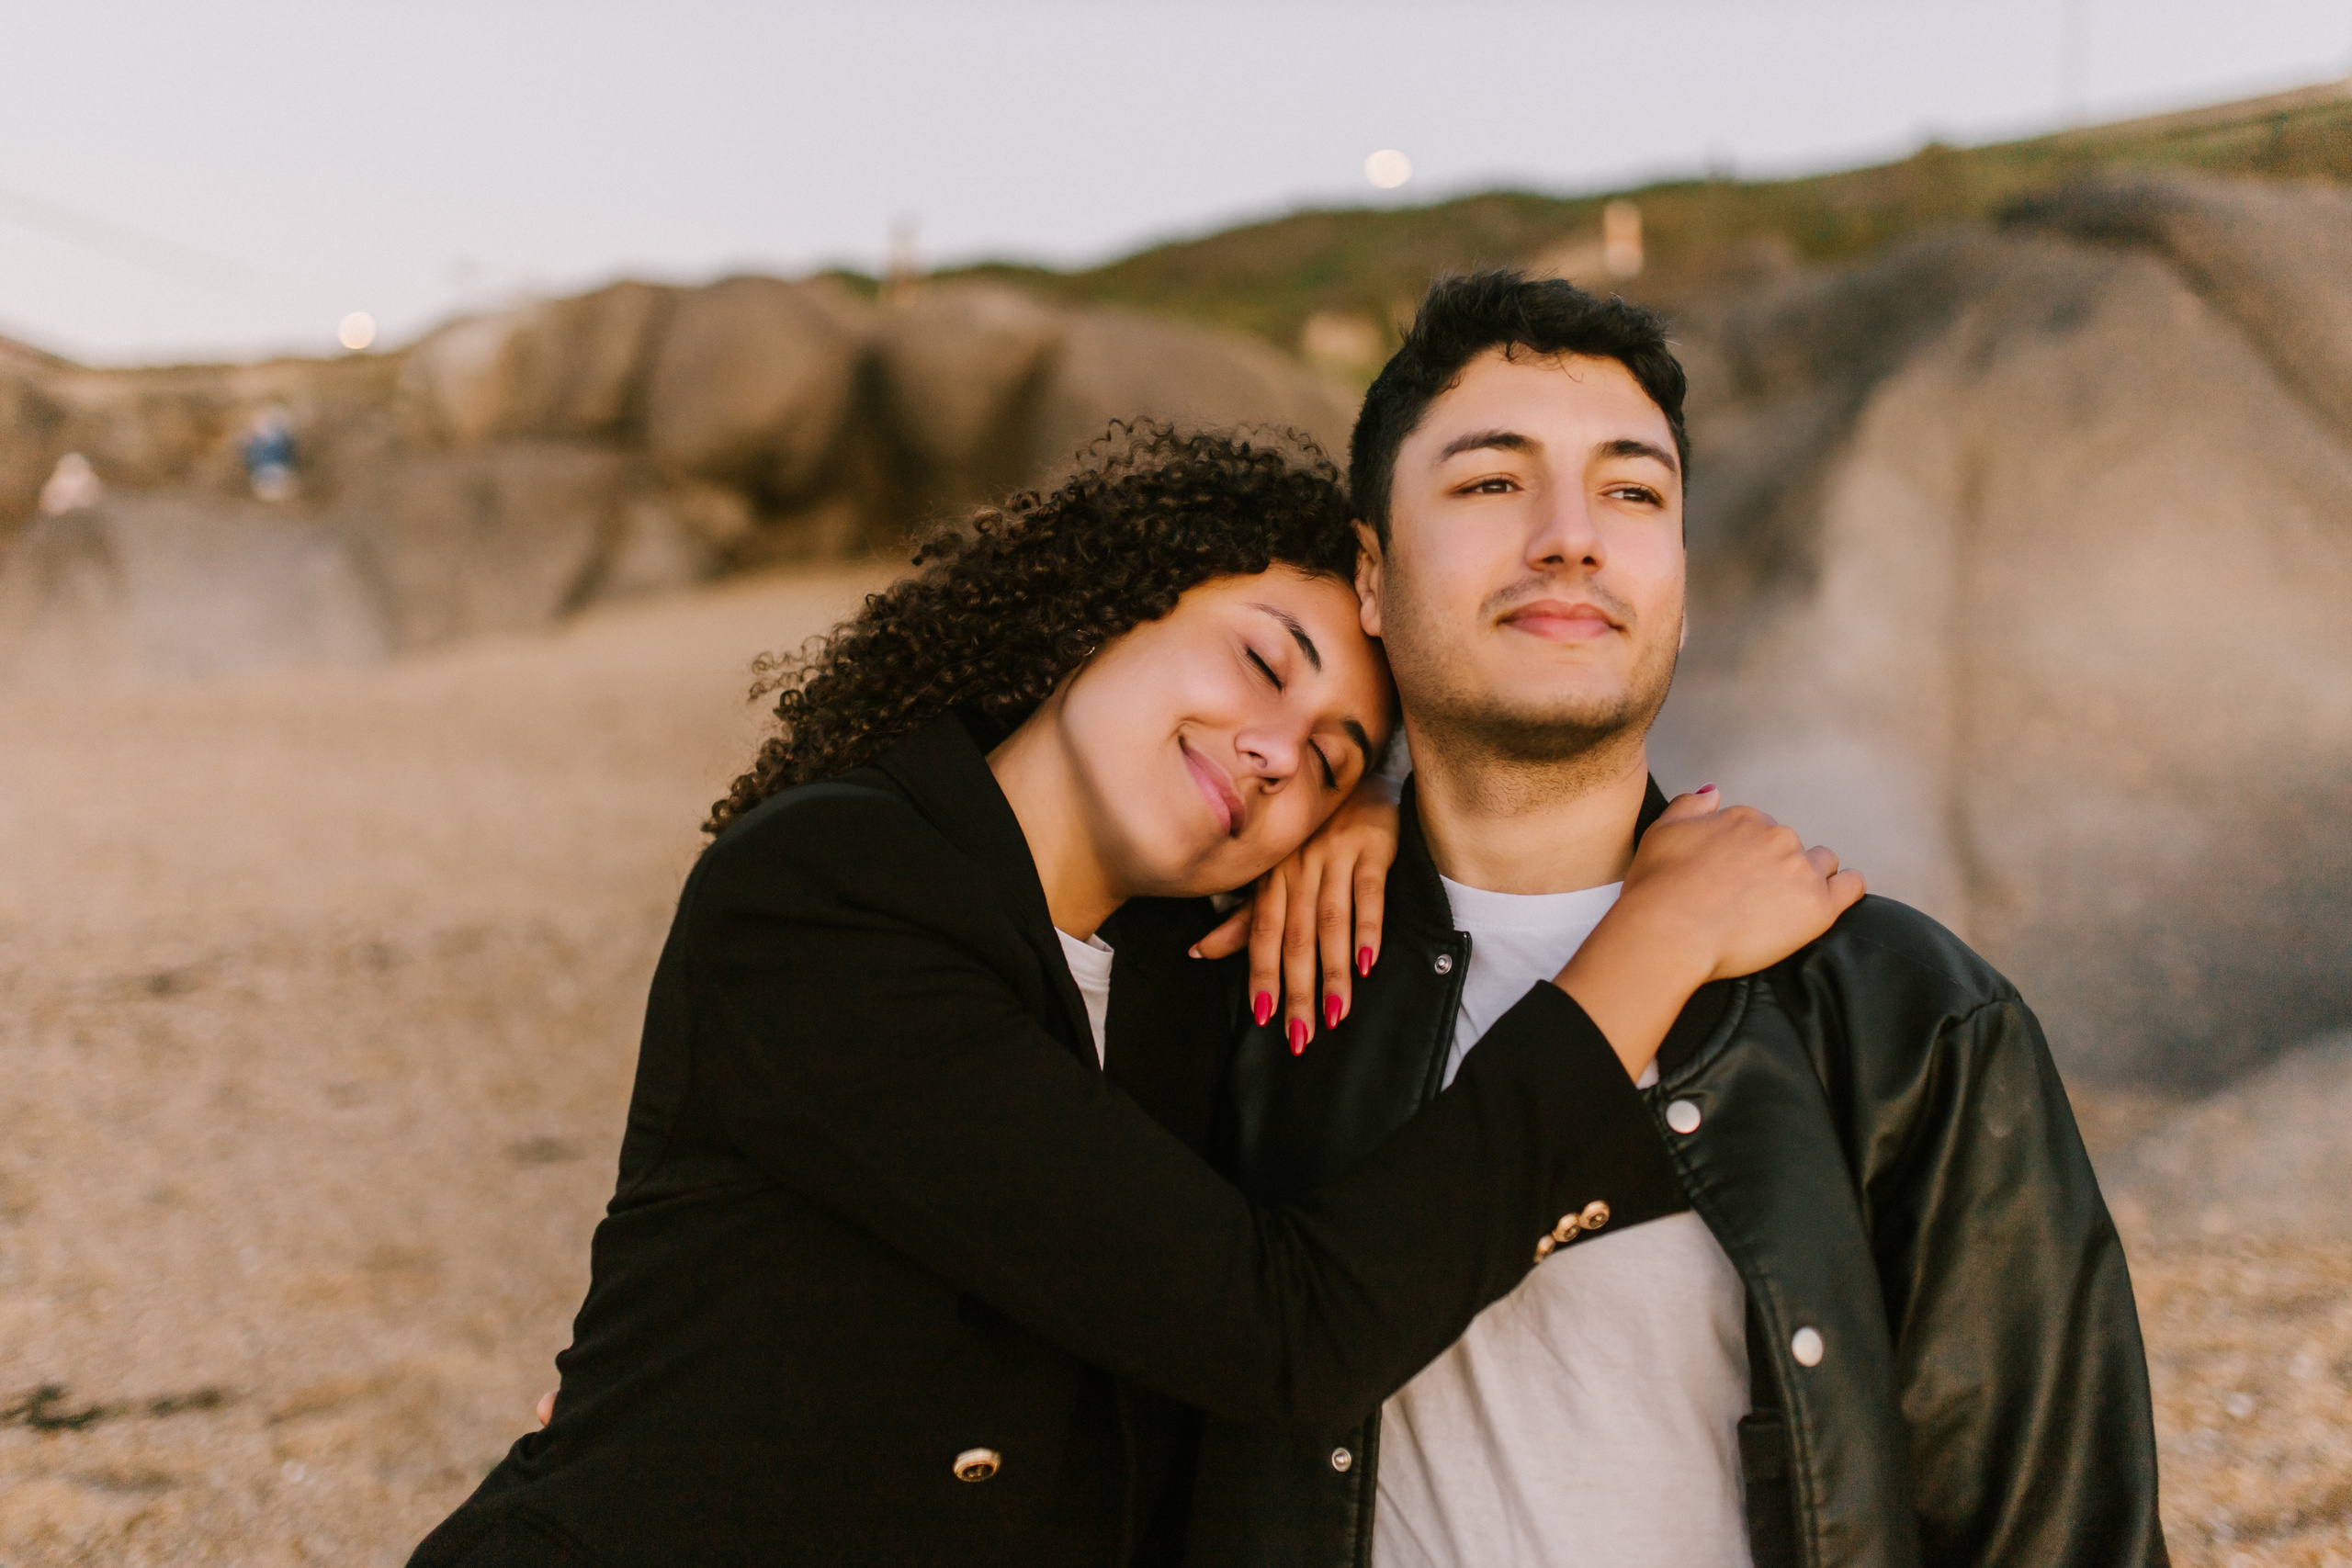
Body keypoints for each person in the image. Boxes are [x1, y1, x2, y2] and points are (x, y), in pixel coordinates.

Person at [408, 425, 1858, 1567]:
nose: (1280, 750)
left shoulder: (1198, 967)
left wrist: (1381, 829)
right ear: (1109, 607)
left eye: (1336, 753)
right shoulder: (828, 889)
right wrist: (1652, 944)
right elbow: (1282, 1331)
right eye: (1258, 661)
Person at [1177, 274, 2166, 1567]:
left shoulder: (1905, 1013)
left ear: (1682, 590)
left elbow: (2056, 1534)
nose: (1571, 537)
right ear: (1370, 574)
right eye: (1491, 483)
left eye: (1633, 492)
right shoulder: (1240, 969)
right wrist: (1348, 798)